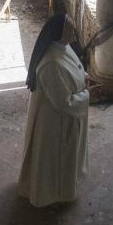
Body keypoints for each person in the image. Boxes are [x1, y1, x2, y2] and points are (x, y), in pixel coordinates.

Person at [17, 13, 90, 207]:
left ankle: (63, 188)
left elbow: (76, 68)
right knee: (54, 159)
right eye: (70, 27)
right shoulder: (51, 63)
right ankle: (51, 192)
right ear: (60, 32)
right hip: (55, 122)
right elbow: (63, 103)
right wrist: (87, 94)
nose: (74, 29)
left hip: (63, 117)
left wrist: (85, 77)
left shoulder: (62, 47)